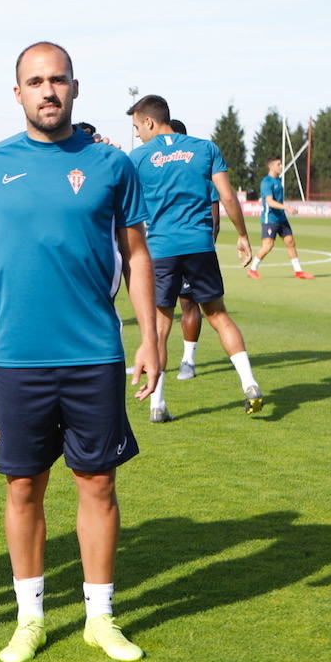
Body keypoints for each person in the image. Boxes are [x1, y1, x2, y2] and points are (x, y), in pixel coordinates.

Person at [0, 41, 159, 662]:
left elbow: (137, 253)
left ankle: (100, 618)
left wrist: (151, 338)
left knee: (97, 483)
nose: (48, 90)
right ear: (17, 93)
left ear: (75, 87)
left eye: (59, 80)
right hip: (17, 356)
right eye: (36, 81)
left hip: (94, 352)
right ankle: (30, 618)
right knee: (23, 487)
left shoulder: (110, 164)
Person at [125, 94, 263, 421]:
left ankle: (157, 405)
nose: (137, 134)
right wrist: (242, 236)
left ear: (149, 121)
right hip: (200, 245)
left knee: (159, 328)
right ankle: (250, 383)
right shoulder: (206, 149)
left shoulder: (138, 158)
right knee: (218, 315)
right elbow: (227, 196)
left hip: (161, 250)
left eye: (137, 127)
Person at [168, 119, 220, 381]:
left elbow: (215, 219)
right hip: (161, 251)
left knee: (189, 304)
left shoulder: (201, 175)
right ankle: (151, 362)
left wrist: (201, 251)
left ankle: (188, 360)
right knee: (156, 310)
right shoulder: (158, 172)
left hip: (192, 252)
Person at [248, 156, 314, 280]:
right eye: (278, 164)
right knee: (268, 245)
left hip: (281, 218)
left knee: (290, 242)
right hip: (270, 219)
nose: (281, 166)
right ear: (271, 166)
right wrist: (287, 208)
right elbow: (270, 202)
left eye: (281, 164)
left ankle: (298, 272)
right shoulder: (266, 182)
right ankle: (252, 269)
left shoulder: (278, 180)